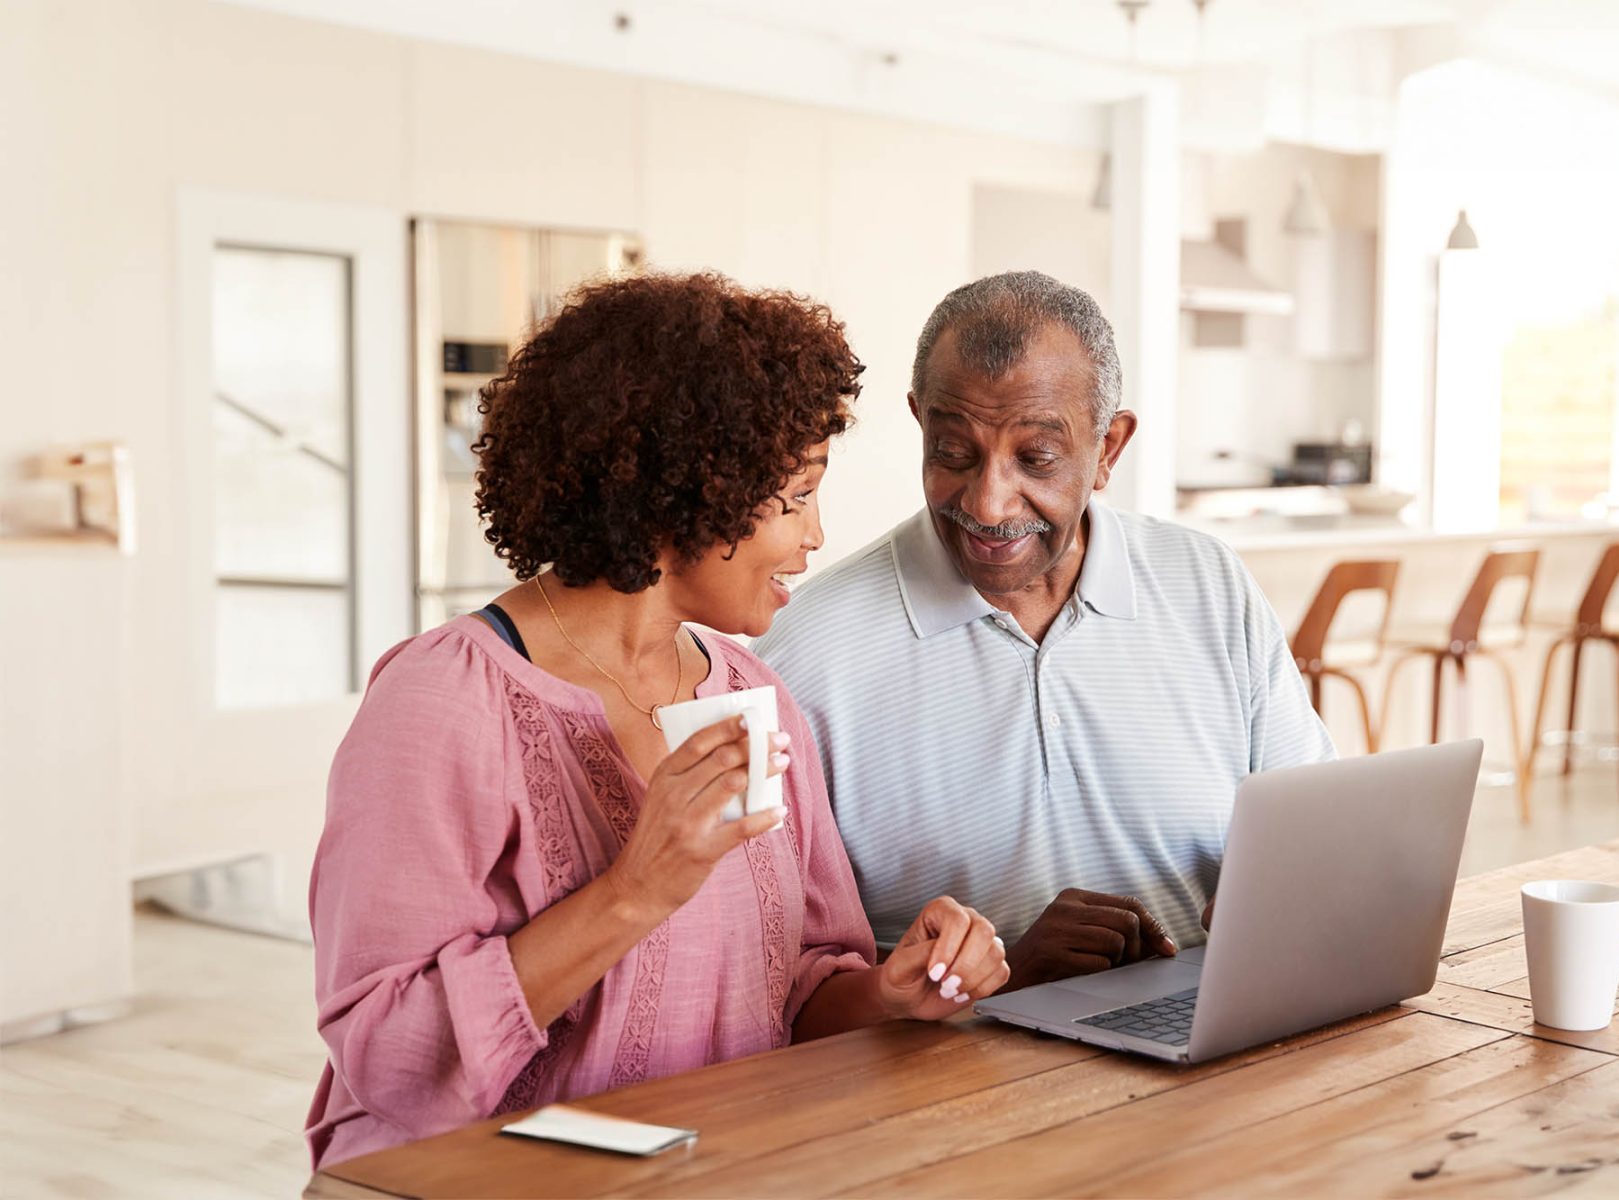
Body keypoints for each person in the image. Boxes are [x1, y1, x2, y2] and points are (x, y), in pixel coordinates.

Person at [306, 272, 1008, 1169]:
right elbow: (387, 1056)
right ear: (683, 492)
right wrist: (634, 889)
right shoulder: (442, 702)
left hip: (713, 1173)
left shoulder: (750, 693)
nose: (815, 534)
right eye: (793, 497)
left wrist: (891, 993)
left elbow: (797, 988)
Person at [757, 270, 1334, 991]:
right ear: (920, 424)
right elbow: (781, 981)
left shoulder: (1208, 584)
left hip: (1213, 1041)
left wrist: (1275, 899)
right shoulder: (804, 656)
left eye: (1037, 459)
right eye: (954, 452)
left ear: (1109, 448)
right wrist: (997, 978)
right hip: (956, 1084)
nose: (991, 504)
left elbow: (1314, 830)